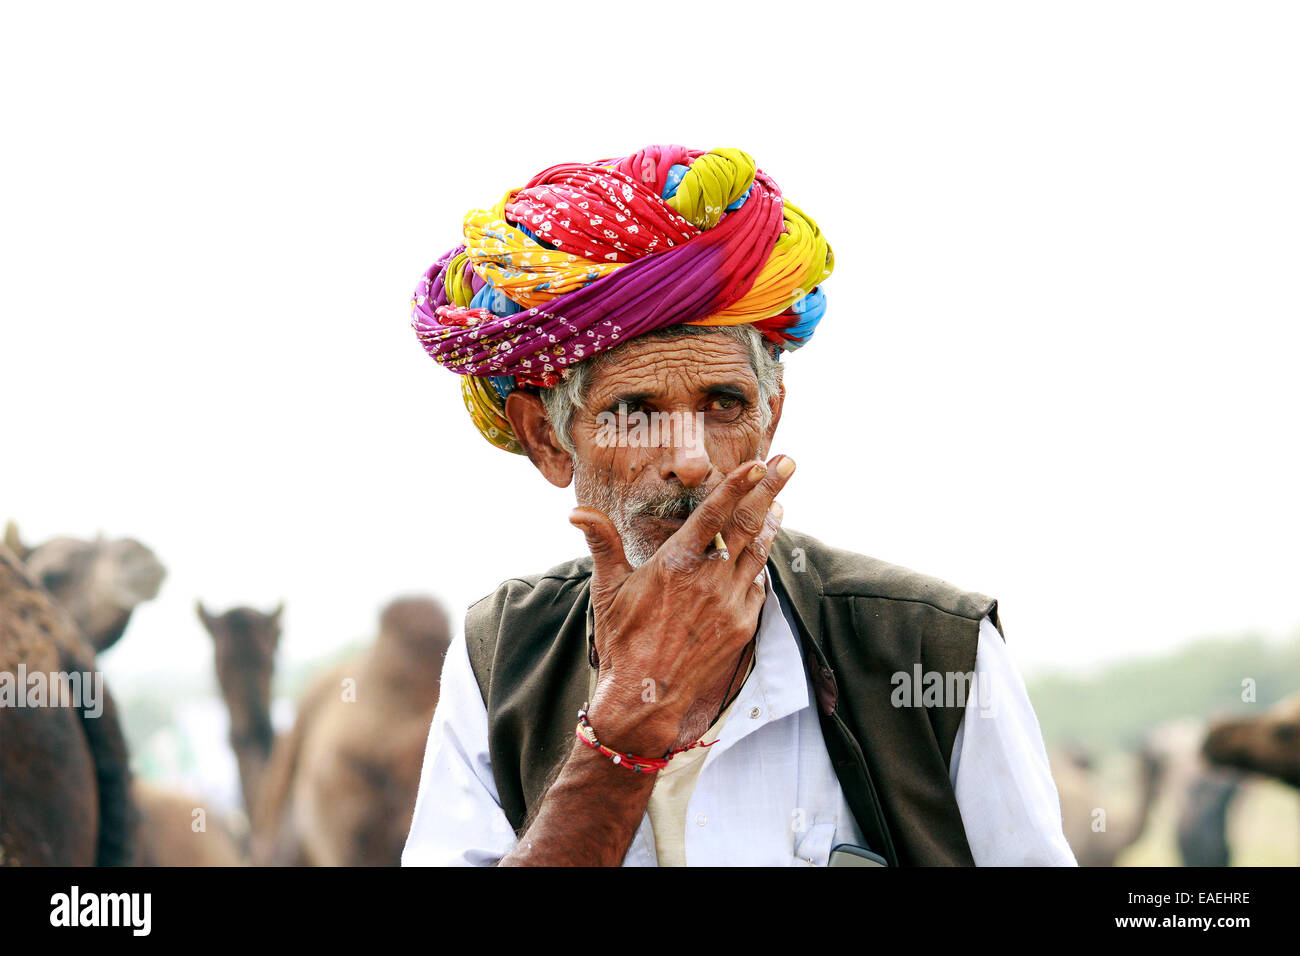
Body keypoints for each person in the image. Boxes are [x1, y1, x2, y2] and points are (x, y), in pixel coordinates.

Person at [401, 145, 1075, 866]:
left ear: (772, 417)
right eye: (636, 410)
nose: (691, 458)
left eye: (725, 404)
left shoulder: (932, 647)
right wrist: (626, 730)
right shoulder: (502, 657)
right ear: (548, 440)